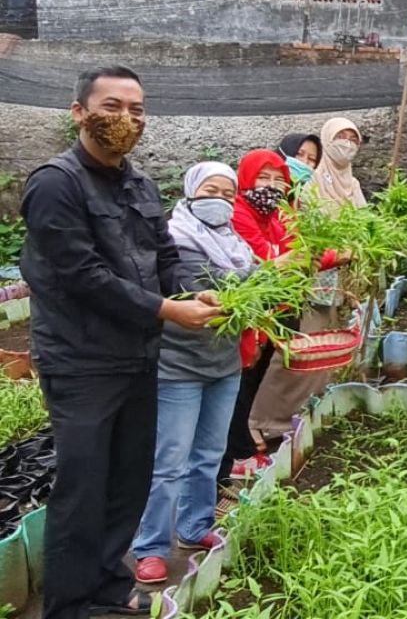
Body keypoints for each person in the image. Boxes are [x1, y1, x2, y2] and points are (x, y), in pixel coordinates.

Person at [20, 66, 221, 618]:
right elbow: (80, 274)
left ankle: (109, 583)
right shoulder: (55, 184)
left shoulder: (140, 183)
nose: (126, 118)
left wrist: (190, 294)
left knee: (128, 479)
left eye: (136, 108)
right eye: (111, 106)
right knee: (82, 488)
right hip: (81, 361)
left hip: (137, 356)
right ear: (79, 112)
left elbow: (165, 257)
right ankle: (68, 604)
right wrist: (165, 309)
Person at [131, 163, 254, 586]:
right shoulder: (174, 239)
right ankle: (149, 547)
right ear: (189, 192)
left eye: (227, 193)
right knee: (169, 461)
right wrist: (255, 279)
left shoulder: (235, 242)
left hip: (224, 363)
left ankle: (194, 526)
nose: (219, 199)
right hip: (179, 366)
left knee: (208, 454)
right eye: (210, 190)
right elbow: (196, 282)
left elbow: (248, 284)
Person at [221, 150, 338, 482]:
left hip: (278, 309)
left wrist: (329, 254)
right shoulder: (238, 213)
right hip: (254, 313)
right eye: (263, 178)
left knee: (254, 380)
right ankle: (237, 454)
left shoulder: (278, 214)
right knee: (241, 382)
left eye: (278, 180)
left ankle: (240, 448)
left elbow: (299, 250)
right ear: (246, 179)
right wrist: (300, 257)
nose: (271, 186)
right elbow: (266, 256)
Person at [313, 117, 367, 208]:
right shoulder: (312, 179)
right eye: (340, 137)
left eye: (353, 140)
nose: (347, 143)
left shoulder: (353, 184)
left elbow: (365, 216)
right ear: (327, 139)